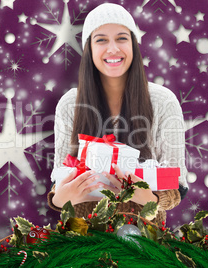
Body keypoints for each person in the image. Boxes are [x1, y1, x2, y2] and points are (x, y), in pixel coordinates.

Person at [48, 3, 188, 225]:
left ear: (133, 45)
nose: (112, 49)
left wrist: (149, 198)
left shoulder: (163, 101)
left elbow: (177, 183)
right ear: (89, 49)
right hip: (83, 238)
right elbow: (59, 180)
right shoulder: (69, 104)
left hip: (143, 238)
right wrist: (59, 199)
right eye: (101, 40)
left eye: (122, 38)